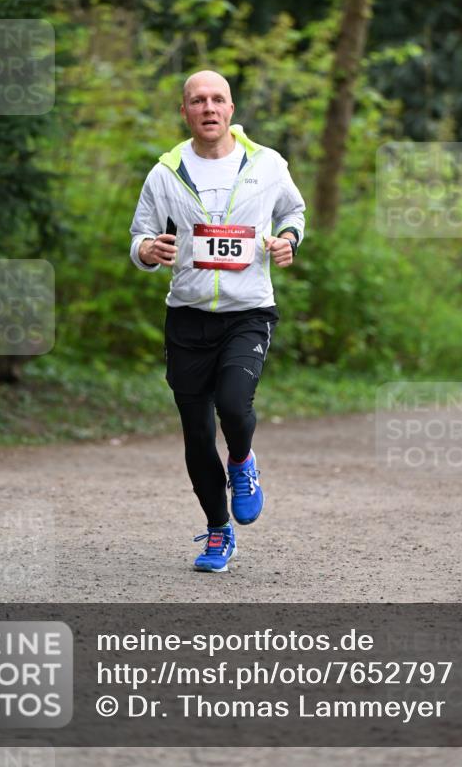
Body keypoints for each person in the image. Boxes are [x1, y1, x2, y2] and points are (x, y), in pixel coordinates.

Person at [129, 70, 306, 572]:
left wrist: (287, 240)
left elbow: (294, 211)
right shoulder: (165, 173)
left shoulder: (266, 164)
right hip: (186, 317)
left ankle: (243, 462)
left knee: (233, 402)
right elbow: (140, 236)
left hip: (247, 311)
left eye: (217, 100)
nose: (208, 108)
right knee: (196, 433)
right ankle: (217, 531)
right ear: (184, 112)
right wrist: (147, 248)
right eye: (197, 101)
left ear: (231, 109)